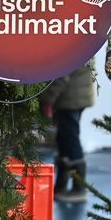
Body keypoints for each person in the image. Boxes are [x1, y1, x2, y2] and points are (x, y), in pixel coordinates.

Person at [41, 60, 97, 201]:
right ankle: (61, 186)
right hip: (76, 93)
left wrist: (48, 99)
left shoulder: (69, 41)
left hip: (70, 96)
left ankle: (78, 188)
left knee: (70, 139)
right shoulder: (86, 38)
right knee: (64, 138)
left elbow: (62, 74)